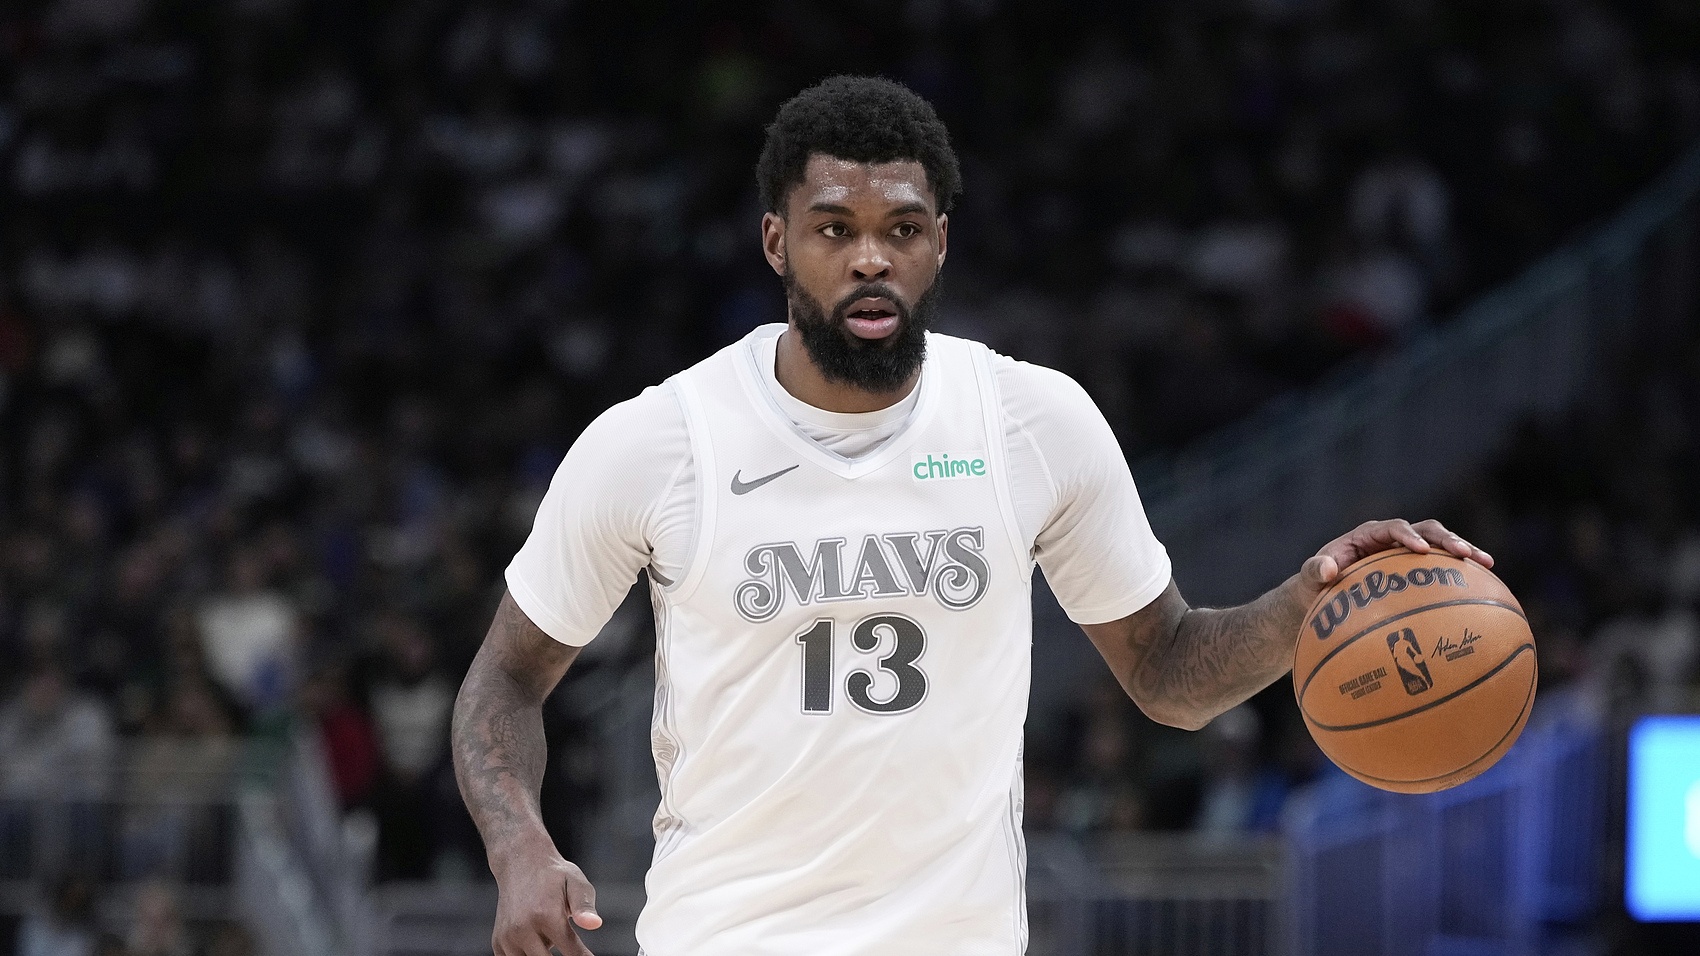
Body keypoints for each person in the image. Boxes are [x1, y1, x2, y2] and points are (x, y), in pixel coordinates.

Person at [451, 75, 1492, 956]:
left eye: (900, 229)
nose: (870, 258)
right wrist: (519, 846)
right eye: (834, 229)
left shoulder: (1032, 421)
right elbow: (504, 676)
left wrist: (1307, 603)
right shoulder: (658, 440)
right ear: (776, 242)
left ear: (939, 243)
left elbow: (1169, 670)